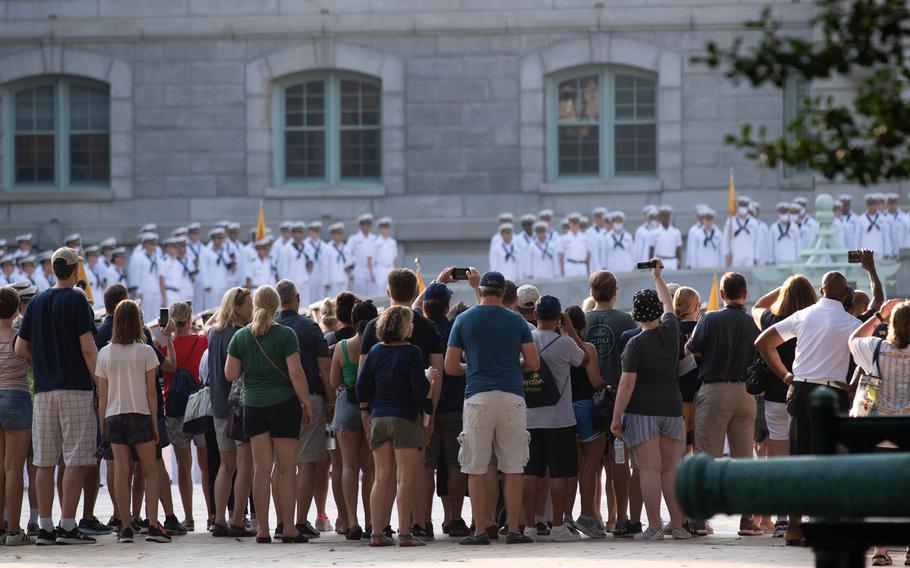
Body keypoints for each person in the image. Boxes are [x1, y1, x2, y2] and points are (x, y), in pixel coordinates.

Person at [755, 271, 858, 545]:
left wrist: (785, 375)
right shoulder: (850, 322)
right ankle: (821, 522)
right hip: (832, 391)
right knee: (828, 460)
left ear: (822, 291)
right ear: (845, 293)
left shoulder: (804, 315)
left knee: (798, 459)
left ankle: (794, 526)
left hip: (800, 388)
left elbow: (763, 342)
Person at [445, 271, 540, 545]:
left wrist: (472, 366)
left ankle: (480, 529)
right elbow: (533, 363)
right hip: (512, 395)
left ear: (482, 290)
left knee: (475, 466)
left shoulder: (463, 320)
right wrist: (514, 365)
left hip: (478, 396)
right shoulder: (516, 320)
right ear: (503, 293)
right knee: (513, 466)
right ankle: (512, 528)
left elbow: (451, 366)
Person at [15, 247, 99, 545]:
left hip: (44, 390)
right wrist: (99, 381)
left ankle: (46, 527)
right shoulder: (77, 298)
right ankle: (67, 524)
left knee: (44, 461)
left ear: (52, 269)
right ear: (75, 269)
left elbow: (20, 348)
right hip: (75, 387)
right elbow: (88, 347)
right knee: (76, 458)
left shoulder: (36, 301)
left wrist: (41, 363)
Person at [359, 268, 444, 540]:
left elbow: (362, 384)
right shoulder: (414, 349)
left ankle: (376, 530)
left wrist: (365, 411)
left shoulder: (373, 346)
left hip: (379, 416)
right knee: (406, 478)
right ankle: (406, 531)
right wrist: (429, 394)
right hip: (406, 417)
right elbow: (422, 389)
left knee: (381, 477)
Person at [225, 285, 315, 544]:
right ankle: (288, 526)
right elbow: (296, 374)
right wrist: (307, 404)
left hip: (253, 406)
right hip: (284, 405)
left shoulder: (241, 336)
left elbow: (230, 374)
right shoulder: (286, 335)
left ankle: (262, 528)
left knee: (260, 470)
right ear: (276, 306)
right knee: (287, 470)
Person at [610, 260, 690, 541]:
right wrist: (658, 277)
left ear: (636, 315)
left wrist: (616, 416)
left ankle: (654, 526)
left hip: (642, 411)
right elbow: (669, 303)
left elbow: (626, 383)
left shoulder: (635, 344)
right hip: (671, 407)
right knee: (671, 469)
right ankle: (678, 525)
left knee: (649, 469)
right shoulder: (671, 330)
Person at [685, 271, 760, 535]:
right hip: (745, 392)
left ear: (721, 294)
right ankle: (748, 519)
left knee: (706, 457)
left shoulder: (711, 318)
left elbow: (691, 347)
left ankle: (698, 518)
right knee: (744, 459)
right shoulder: (752, 323)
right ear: (745, 295)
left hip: (715, 391)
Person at [95, 300, 171, 544]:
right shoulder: (147, 351)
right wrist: (155, 423)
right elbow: (151, 393)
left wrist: (102, 424)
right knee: (149, 472)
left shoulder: (105, 353)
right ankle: (151, 524)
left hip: (114, 416)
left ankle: (125, 526)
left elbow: (103, 395)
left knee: (121, 471)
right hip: (140, 414)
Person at [750, 274, 817, 538]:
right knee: (805, 456)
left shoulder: (773, 321)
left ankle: (782, 519)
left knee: (778, 458)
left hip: (777, 396)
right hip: (807, 393)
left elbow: (756, 307)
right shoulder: (814, 321)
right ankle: (807, 513)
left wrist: (782, 288)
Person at [849, 298, 910, 566]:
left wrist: (877, 316)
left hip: (880, 432)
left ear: (891, 324)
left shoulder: (875, 348)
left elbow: (853, 338)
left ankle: (881, 550)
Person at [521, 296, 587, 542]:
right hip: (560, 418)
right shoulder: (565, 343)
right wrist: (570, 331)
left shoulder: (525, 340)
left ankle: (528, 525)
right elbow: (585, 359)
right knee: (560, 473)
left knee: (530, 472)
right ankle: (557, 526)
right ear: (559, 316)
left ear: (535, 315)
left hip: (529, 417)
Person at [412, 276, 470, 539]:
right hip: (455, 404)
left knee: (426, 466)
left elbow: (408, 307)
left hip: (424, 406)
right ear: (448, 307)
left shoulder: (415, 327)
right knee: (456, 464)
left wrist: (436, 280)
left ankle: (423, 522)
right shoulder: (457, 326)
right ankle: (455, 519)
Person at [275, 279, 333, 538]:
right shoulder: (310, 327)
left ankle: (280, 520)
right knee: (308, 462)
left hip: (276, 401)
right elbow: (325, 368)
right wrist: (330, 400)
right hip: (309, 397)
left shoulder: (269, 328)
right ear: (297, 298)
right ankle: (299, 520)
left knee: (281, 464)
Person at [582, 270, 638, 536]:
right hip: (618, 397)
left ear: (592, 292)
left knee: (590, 462)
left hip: (588, 397)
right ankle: (620, 516)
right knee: (619, 460)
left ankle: (593, 514)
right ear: (614, 292)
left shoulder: (582, 321)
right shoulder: (626, 321)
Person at [207, 287, 256, 538]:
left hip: (218, 405)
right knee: (245, 465)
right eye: (249, 304)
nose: (252, 309)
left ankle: (219, 520)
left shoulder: (213, 333)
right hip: (238, 406)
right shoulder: (239, 334)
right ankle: (237, 519)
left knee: (226, 466)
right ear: (237, 307)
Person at [158, 300, 209, 531]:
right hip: (199, 408)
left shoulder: (164, 346)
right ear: (190, 319)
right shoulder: (202, 341)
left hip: (175, 407)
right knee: (206, 465)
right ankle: (212, 514)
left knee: (183, 465)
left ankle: (188, 516)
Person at [330, 299, 378, 540]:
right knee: (369, 467)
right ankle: (372, 520)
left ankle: (351, 520)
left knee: (348, 466)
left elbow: (333, 381)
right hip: (371, 409)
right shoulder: (378, 345)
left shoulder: (342, 346)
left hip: (346, 406)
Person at [564, 305, 606, 538]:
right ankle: (588, 516)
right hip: (586, 408)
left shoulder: (558, 346)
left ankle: (566, 517)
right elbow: (595, 381)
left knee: (570, 467)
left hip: (563, 411)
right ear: (584, 325)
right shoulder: (586, 348)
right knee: (590, 466)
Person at [0, 287, 34, 545]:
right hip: (16, 397)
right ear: (16, 309)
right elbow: (34, 365)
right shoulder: (18, 338)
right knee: (13, 468)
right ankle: (14, 530)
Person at [673, 287, 702, 455]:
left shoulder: (671, 329)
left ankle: (681, 481)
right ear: (696, 307)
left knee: (680, 452)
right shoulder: (704, 326)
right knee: (701, 450)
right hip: (701, 394)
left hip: (678, 396)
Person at [348, 214, 377, 298]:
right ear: (361, 226)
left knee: (373, 295)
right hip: (359, 269)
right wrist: (351, 267)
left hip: (372, 269)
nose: (366, 227)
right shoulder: (354, 239)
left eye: (368, 224)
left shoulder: (374, 238)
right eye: (364, 224)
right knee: (359, 294)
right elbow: (348, 253)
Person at [648, 206, 683, 271]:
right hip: (659, 261)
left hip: (672, 261)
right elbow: (651, 249)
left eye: (666, 216)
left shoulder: (676, 232)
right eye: (663, 216)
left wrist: (679, 262)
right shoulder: (654, 232)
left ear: (669, 217)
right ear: (660, 217)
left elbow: (679, 249)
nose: (665, 218)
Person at [558, 213, 592, 277]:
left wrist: (588, 267)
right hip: (570, 266)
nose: (575, 225)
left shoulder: (585, 238)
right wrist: (562, 271)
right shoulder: (564, 238)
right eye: (573, 224)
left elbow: (589, 254)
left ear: (579, 224)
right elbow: (561, 256)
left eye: (576, 223)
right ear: (569, 224)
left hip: (582, 265)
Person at [326, 223, 354, 298]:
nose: (338, 236)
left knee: (344, 299)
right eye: (336, 234)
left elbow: (350, 263)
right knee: (333, 299)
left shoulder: (346, 248)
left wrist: (349, 270)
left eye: (339, 233)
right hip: (332, 279)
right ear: (332, 235)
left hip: (344, 277)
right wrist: (326, 280)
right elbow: (325, 265)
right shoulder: (327, 248)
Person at [373, 218, 398, 297]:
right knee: (380, 291)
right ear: (380, 229)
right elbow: (372, 259)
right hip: (380, 268)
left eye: (387, 228)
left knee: (390, 290)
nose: (385, 230)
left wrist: (394, 269)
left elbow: (394, 258)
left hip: (390, 268)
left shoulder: (392, 242)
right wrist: (372, 273)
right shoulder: (376, 242)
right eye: (383, 228)